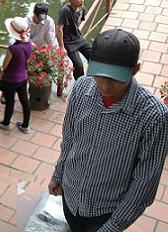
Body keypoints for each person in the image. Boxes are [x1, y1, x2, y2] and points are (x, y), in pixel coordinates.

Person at [48, 29, 168, 232]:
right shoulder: (81, 89)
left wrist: (113, 226)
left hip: (106, 212)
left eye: (115, 78)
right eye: (100, 75)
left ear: (135, 69)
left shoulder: (153, 115)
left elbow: (145, 181)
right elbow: (69, 138)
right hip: (71, 195)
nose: (105, 84)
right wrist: (58, 174)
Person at [0, 17, 32, 134]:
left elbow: (5, 66)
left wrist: (0, 72)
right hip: (23, 77)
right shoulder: (29, 43)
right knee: (24, 100)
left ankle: (6, 123)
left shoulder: (13, 48)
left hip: (11, 79)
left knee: (10, 102)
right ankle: (25, 125)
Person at [26, 2, 64, 96]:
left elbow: (50, 41)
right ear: (33, 13)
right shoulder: (26, 21)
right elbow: (25, 39)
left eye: (43, 17)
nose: (40, 20)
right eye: (38, 17)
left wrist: (52, 55)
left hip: (41, 50)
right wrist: (35, 49)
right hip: (26, 47)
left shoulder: (49, 21)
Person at [56, 0, 92, 80]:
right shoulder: (65, 11)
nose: (82, 0)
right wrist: (62, 47)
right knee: (78, 65)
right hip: (68, 42)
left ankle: (93, 78)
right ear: (72, 0)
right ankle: (80, 84)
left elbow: (79, 21)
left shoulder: (82, 8)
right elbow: (59, 29)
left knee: (94, 56)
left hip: (79, 38)